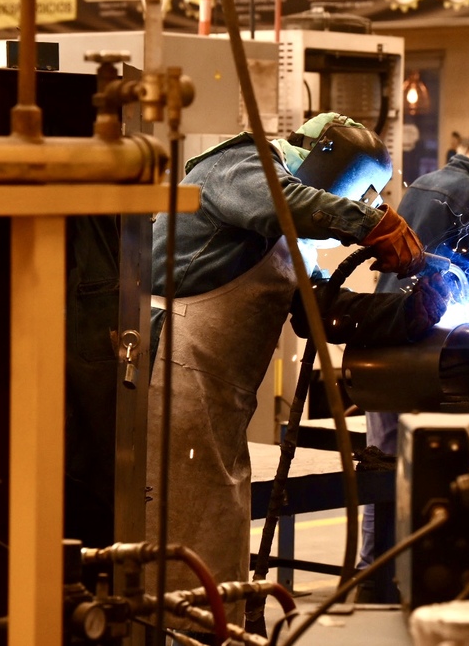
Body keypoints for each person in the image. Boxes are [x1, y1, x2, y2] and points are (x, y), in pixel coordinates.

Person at [145, 112, 449, 636]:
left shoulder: (293, 239)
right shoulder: (243, 163)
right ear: (325, 160)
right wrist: (369, 224)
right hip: (166, 375)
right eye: (349, 196)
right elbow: (290, 204)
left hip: (214, 396)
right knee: (172, 538)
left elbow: (322, 313)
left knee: (212, 531)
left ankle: (208, 631)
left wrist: (408, 312)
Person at [356, 120, 469, 596]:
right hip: (424, 355)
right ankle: (418, 582)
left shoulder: (423, 184)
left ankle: (372, 580)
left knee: (380, 470)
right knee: (428, 478)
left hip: (381, 341)